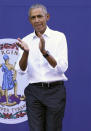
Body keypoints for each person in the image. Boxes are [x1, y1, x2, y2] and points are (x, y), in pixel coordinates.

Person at [15, 3, 68, 131]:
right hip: (34, 91)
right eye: (33, 17)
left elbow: (62, 68)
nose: (37, 20)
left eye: (40, 16)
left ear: (47, 17)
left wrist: (44, 52)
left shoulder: (59, 37)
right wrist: (26, 53)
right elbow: (21, 70)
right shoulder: (25, 40)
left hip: (55, 91)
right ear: (29, 20)